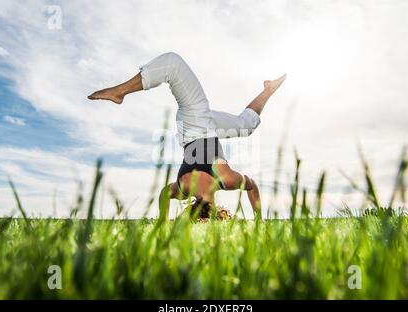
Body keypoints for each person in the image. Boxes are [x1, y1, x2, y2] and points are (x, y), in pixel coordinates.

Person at [88, 52, 286, 219]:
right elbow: (165, 194)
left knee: (173, 65)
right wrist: (163, 222)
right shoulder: (183, 189)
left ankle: (119, 92)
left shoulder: (227, 180)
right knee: (245, 126)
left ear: (215, 208)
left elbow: (252, 187)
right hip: (203, 126)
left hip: (195, 123)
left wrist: (260, 221)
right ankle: (268, 90)